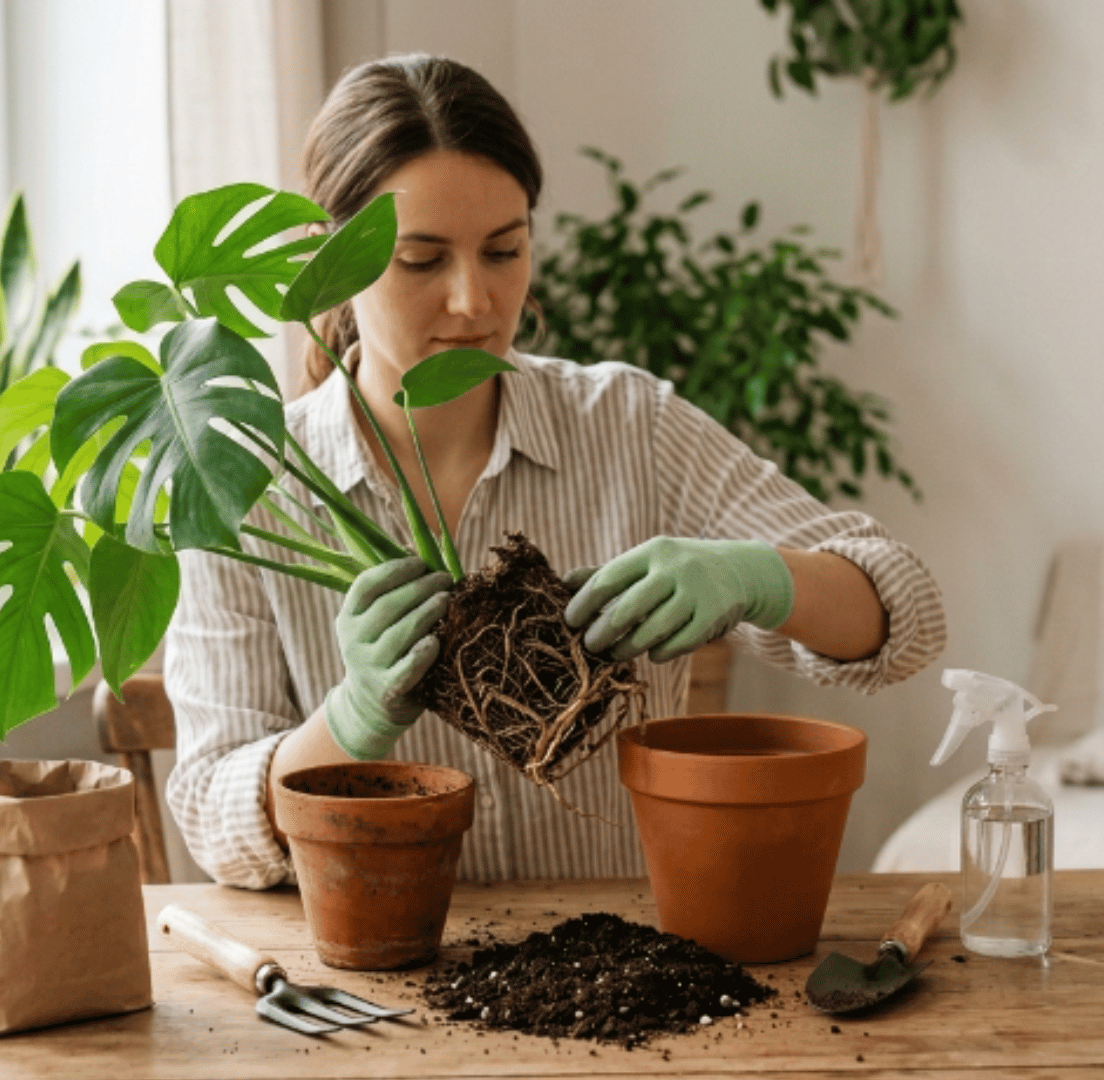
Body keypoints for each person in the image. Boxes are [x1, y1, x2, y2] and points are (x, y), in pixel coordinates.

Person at [166, 54, 947, 888]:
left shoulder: (629, 425)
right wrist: (350, 721)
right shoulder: (251, 485)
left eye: (504, 250)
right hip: (382, 986)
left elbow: (909, 619)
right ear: (332, 264)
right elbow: (215, 822)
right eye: (422, 261)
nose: (473, 300)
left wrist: (759, 576)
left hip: (624, 971)